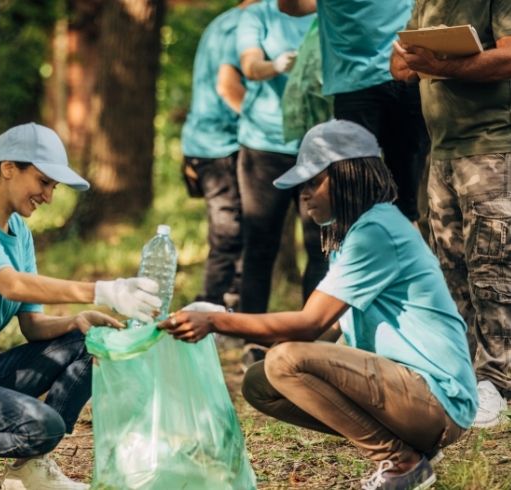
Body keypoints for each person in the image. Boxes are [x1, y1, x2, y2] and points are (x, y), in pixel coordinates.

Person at [160, 120, 477, 490]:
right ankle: (408, 449)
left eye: (313, 182)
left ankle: (401, 462)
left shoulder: (377, 231)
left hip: (437, 399)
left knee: (285, 361)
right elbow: (327, 330)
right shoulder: (354, 235)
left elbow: (310, 323)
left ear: (347, 176)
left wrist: (216, 322)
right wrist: (232, 321)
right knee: (261, 381)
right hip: (409, 394)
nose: (304, 197)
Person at [0, 123, 161, 490]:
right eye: (43, 181)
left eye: (53, 186)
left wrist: (78, 321)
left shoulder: (19, 232)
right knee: (43, 426)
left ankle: (29, 470)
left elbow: (32, 325)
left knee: (92, 339)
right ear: (8, 168)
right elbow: (11, 284)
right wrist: (104, 290)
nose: (49, 196)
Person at [391, 1, 511, 428]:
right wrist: (414, 59)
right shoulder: (425, 2)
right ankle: (462, 376)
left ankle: (497, 382)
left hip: (493, 148)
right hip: (441, 153)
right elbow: (399, 66)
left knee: (493, 270)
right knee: (450, 270)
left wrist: (442, 64)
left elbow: (509, 56)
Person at [278, 0, 429, 223]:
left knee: (355, 196)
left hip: (361, 86)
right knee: (402, 197)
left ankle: (372, 249)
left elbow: (291, 6)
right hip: (401, 78)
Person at [234, 0, 325, 315]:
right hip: (265, 145)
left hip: (318, 147)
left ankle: (315, 336)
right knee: (260, 244)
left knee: (320, 246)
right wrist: (277, 65)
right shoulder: (258, 14)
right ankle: (251, 339)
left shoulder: (328, 8)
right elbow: (249, 65)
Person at [180, 0, 257, 309]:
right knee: (229, 232)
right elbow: (227, 88)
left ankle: (226, 305)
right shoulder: (243, 27)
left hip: (203, 142)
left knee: (233, 228)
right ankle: (211, 306)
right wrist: (261, 126)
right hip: (219, 144)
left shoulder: (221, 22)